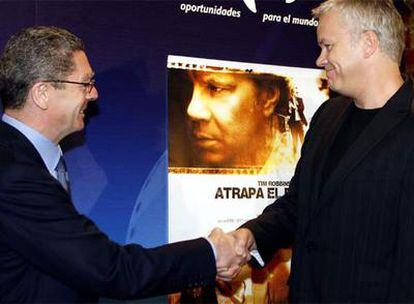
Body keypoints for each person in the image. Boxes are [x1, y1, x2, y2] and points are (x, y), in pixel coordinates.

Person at [0, 26, 244, 302]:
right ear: (42, 93)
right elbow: (111, 270)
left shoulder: (26, 159)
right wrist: (211, 253)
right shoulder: (14, 174)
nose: (93, 95)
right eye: (85, 84)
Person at [226, 0, 414, 302]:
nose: (319, 59)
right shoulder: (328, 115)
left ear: (368, 43)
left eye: (328, 46)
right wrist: (250, 237)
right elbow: (299, 205)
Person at [170, 68, 307, 174]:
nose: (193, 110)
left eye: (215, 88)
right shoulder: (171, 163)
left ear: (267, 98)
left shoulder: (304, 165)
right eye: (188, 87)